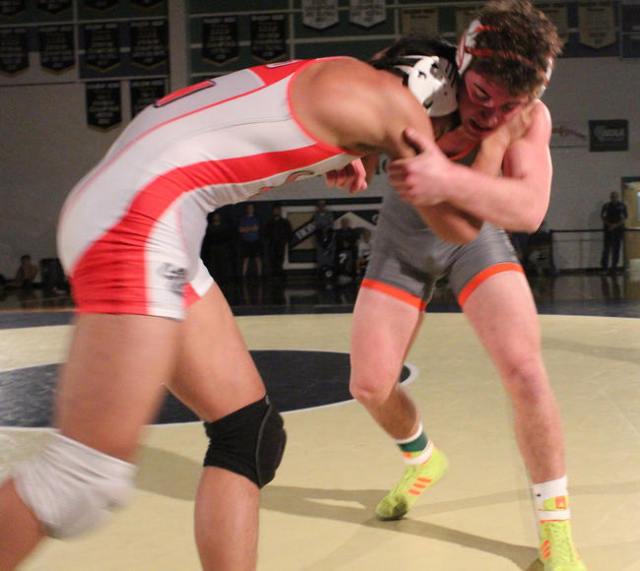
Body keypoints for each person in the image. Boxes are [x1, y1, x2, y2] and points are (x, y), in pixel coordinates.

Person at [0, 34, 470, 570]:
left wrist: (335, 154)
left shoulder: (340, 77)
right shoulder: (395, 104)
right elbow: (456, 223)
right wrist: (506, 144)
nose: (443, 139)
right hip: (141, 220)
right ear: (433, 88)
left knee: (248, 433)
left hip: (138, 206)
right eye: (447, 127)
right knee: (77, 481)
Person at [345, 2, 586, 570]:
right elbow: (345, 103)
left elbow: (527, 209)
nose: (490, 114)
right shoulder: (417, 77)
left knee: (526, 371)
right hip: (404, 239)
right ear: (460, 66)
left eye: (509, 104)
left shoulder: (530, 118)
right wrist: (346, 152)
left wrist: (449, 174)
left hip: (474, 239)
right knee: (370, 385)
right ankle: (423, 459)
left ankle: (556, 529)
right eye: (480, 95)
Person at [600, 190, 627, 275]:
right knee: (606, 250)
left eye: (615, 197)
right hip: (608, 231)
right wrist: (609, 225)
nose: (614, 198)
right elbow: (602, 216)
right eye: (612, 197)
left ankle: (614, 268)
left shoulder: (622, 206)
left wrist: (615, 225)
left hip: (618, 231)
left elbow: (624, 218)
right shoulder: (606, 206)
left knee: (616, 250)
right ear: (610, 198)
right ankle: (604, 268)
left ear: (617, 197)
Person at [264, 205, 293, 277]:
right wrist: (268, 241)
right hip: (272, 244)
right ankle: (274, 274)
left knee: (280, 260)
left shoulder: (285, 222)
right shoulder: (270, 223)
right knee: (272, 259)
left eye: (277, 210)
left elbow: (289, 232)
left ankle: (279, 274)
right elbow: (266, 233)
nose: (276, 212)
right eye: (275, 210)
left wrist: (285, 240)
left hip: (280, 244)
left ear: (280, 211)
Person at [238, 203, 264, 278]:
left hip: (255, 241)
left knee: (258, 259)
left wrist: (246, 229)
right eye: (249, 208)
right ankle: (243, 277)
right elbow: (240, 230)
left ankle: (260, 276)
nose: (250, 209)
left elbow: (256, 228)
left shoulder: (256, 219)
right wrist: (250, 228)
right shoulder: (243, 219)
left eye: (251, 208)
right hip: (246, 241)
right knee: (246, 259)